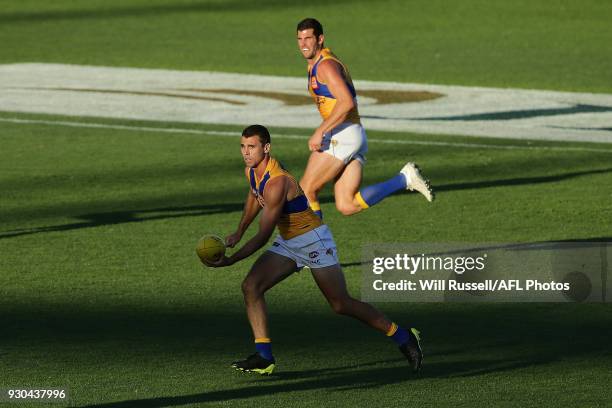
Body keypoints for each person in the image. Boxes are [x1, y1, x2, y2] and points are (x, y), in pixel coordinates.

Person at [203, 124, 423, 375]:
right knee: (251, 286)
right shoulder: (252, 170)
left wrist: (231, 260)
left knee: (341, 304)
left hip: (313, 241)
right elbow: (254, 195)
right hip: (289, 241)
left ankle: (403, 336)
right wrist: (240, 230)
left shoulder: (278, 183)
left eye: (251, 147)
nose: (246, 152)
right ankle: (264, 357)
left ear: (266, 148)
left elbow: (263, 236)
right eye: (242, 146)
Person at [296, 18, 434, 219]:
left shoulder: (325, 66)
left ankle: (315, 247)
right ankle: (404, 179)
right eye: (300, 39)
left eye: (308, 38)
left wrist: (320, 131)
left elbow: (346, 102)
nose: (303, 44)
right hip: (354, 134)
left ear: (320, 39)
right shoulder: (318, 63)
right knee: (347, 204)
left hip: (341, 134)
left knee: (306, 190)